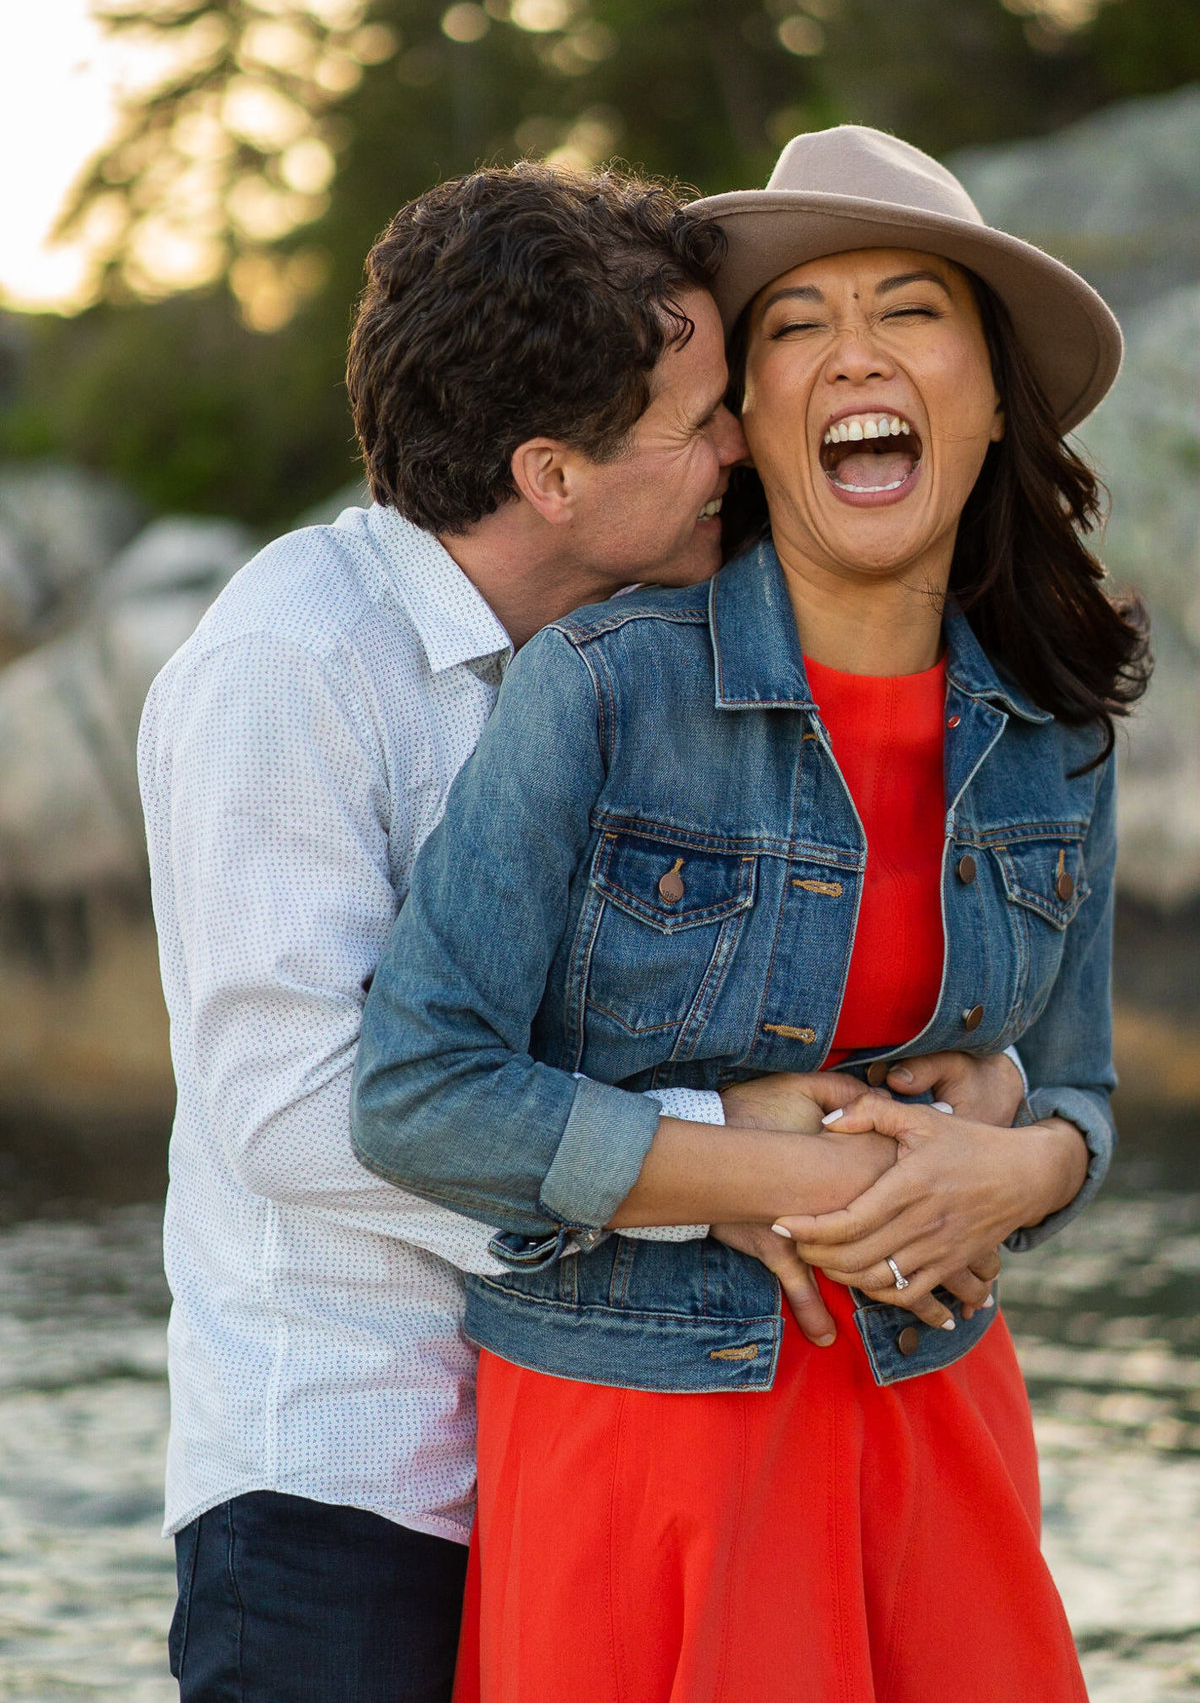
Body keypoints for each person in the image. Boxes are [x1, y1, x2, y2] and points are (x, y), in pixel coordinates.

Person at [351, 126, 1150, 1702]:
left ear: (992, 400)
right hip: (648, 1446)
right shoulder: (599, 693)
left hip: (941, 1424)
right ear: (750, 420)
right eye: (797, 325)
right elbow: (419, 1092)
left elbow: (1077, 1096)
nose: (855, 351)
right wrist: (795, 1172)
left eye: (913, 309)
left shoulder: (1053, 728)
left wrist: (1017, 1169)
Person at [137, 161, 809, 1703]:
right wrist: (718, 1169)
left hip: (574, 1452)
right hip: (341, 1496)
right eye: (701, 417)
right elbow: (297, 1115)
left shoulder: (614, 654)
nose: (737, 449)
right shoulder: (290, 668)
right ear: (553, 475)